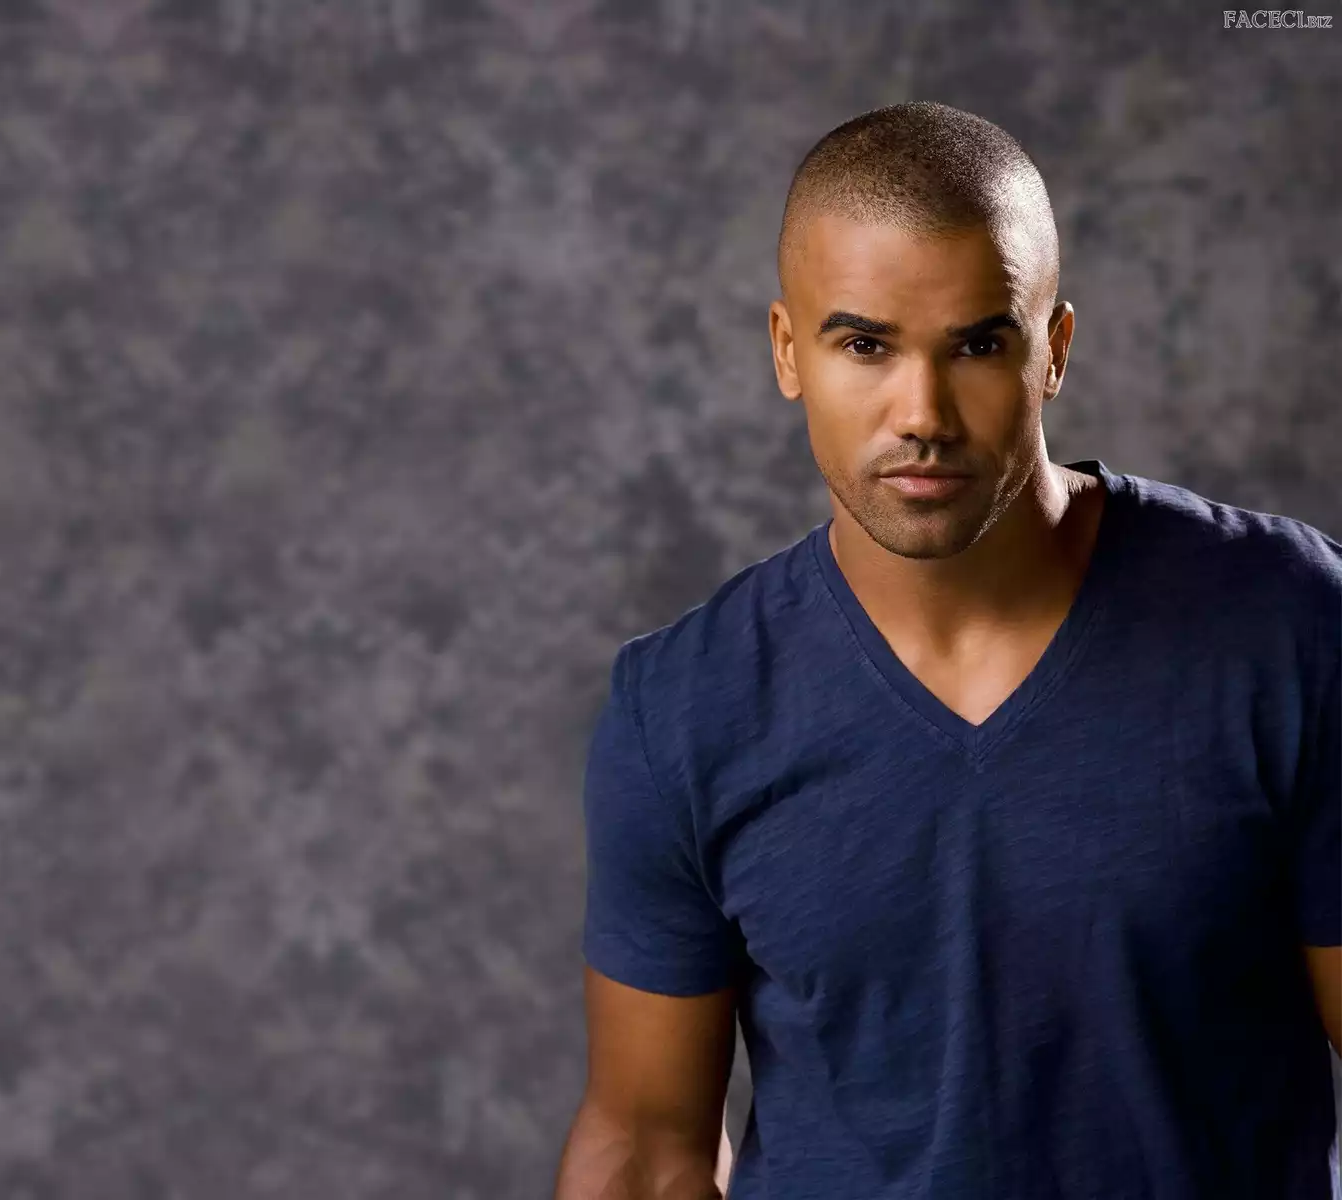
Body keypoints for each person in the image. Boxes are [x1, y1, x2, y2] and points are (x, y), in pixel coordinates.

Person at [553, 101, 1342, 1199]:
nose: (921, 413)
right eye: (864, 345)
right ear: (787, 351)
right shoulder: (683, 708)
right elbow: (646, 1149)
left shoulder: (1290, 629)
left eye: (977, 345)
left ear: (1053, 351)